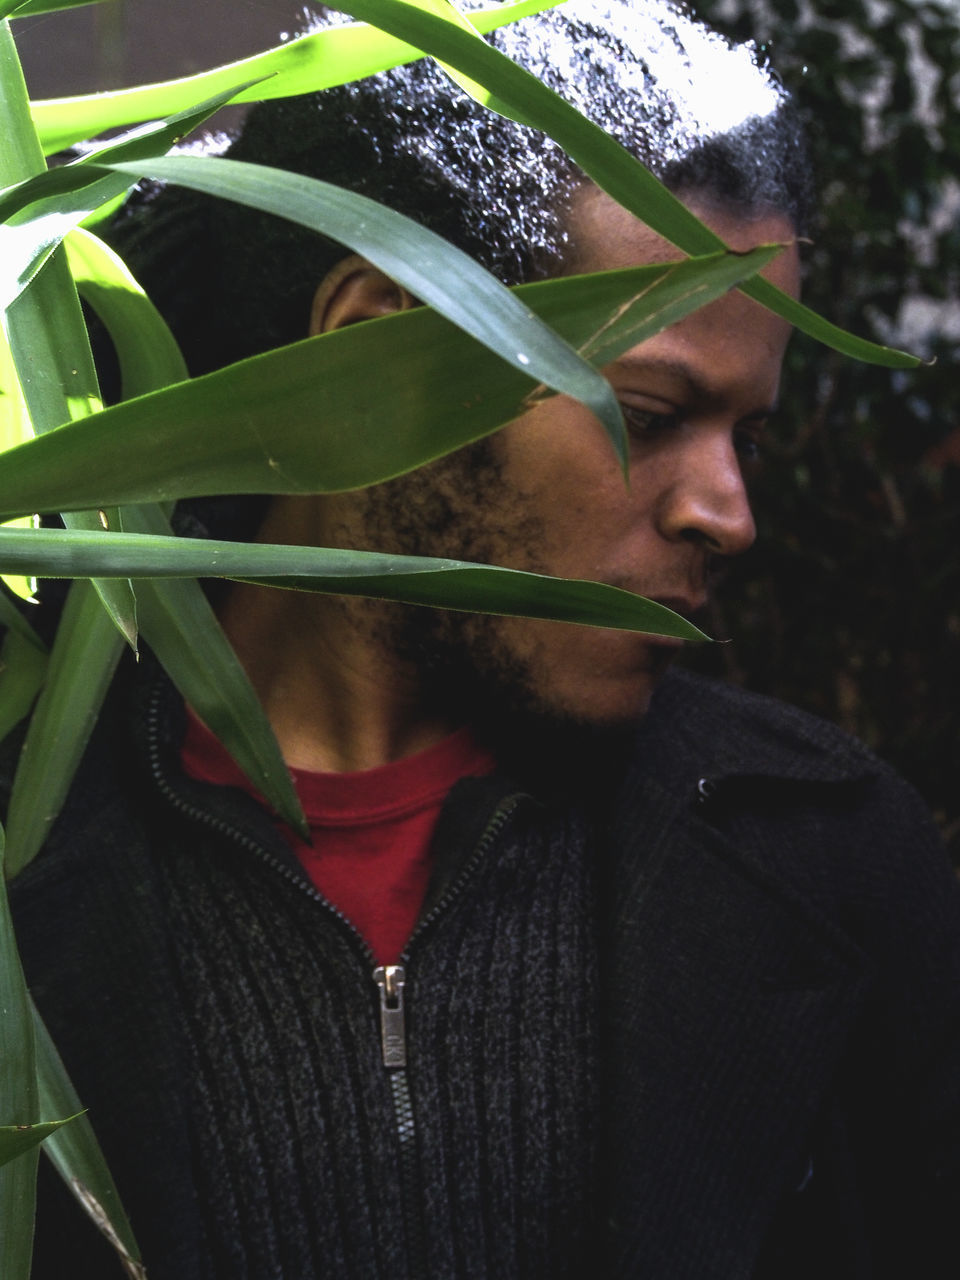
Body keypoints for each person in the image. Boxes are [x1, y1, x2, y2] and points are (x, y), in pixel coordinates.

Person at [11, 1, 960, 1277]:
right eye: (650, 411)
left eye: (747, 432)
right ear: (377, 356)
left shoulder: (834, 860)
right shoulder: (29, 864)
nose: (727, 510)